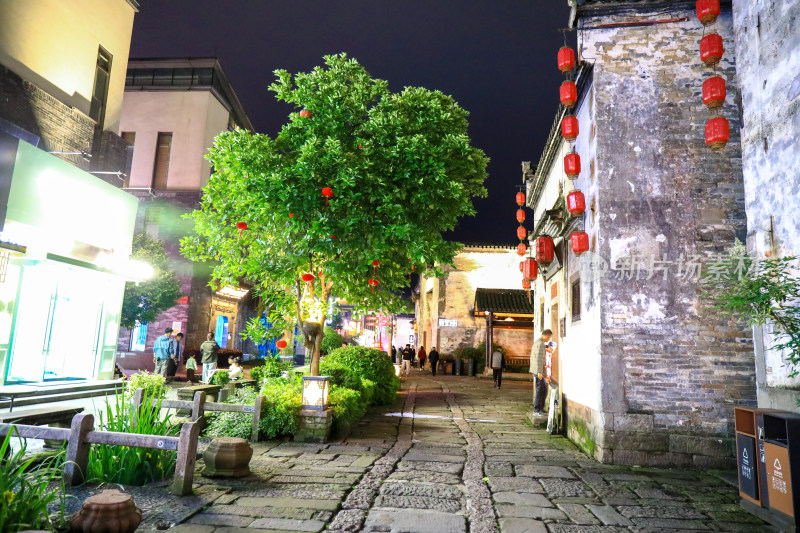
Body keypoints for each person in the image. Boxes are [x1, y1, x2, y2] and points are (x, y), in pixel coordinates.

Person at [530, 329, 553, 415]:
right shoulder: (540, 344)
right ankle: (537, 409)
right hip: (538, 370)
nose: (549, 339)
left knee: (543, 389)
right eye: (549, 337)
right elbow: (539, 359)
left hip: (536, 369)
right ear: (546, 335)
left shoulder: (538, 342)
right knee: (541, 389)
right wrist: (540, 371)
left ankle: (540, 408)